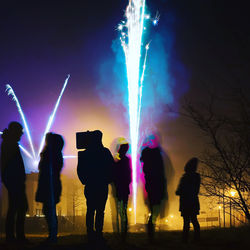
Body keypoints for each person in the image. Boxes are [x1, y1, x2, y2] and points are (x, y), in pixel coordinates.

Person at [77, 130, 114, 243]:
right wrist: (108, 180)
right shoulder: (105, 152)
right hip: (101, 185)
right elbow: (111, 168)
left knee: (91, 209)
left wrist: (85, 181)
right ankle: (98, 233)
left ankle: (90, 233)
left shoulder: (85, 153)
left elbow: (80, 169)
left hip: (91, 185)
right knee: (100, 211)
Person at [0, 121, 28, 243]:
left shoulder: (8, 143)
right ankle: (15, 237)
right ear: (15, 131)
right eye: (20, 132)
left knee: (16, 208)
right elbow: (9, 164)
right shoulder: (10, 144)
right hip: (15, 182)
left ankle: (13, 237)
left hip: (14, 181)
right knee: (19, 208)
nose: (21, 134)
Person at [35, 133, 64, 244]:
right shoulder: (55, 153)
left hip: (49, 186)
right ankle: (52, 235)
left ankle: (52, 235)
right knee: (49, 210)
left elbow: (43, 167)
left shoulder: (51, 154)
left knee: (49, 210)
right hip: (51, 185)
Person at [140, 134, 166, 240]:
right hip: (156, 184)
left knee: (153, 209)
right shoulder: (156, 154)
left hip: (151, 185)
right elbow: (161, 171)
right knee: (155, 209)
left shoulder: (147, 154)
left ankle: (151, 232)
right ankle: (151, 232)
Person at [176, 157, 201, 243]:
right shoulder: (196, 177)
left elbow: (179, 190)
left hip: (185, 202)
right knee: (194, 220)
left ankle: (185, 239)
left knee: (186, 222)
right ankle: (196, 238)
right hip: (193, 201)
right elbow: (195, 190)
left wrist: (180, 192)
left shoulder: (185, 178)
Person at [114, 143, 132, 240]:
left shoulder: (118, 162)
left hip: (119, 188)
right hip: (124, 189)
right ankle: (123, 232)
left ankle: (121, 232)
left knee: (119, 210)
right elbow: (129, 176)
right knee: (123, 210)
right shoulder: (126, 161)